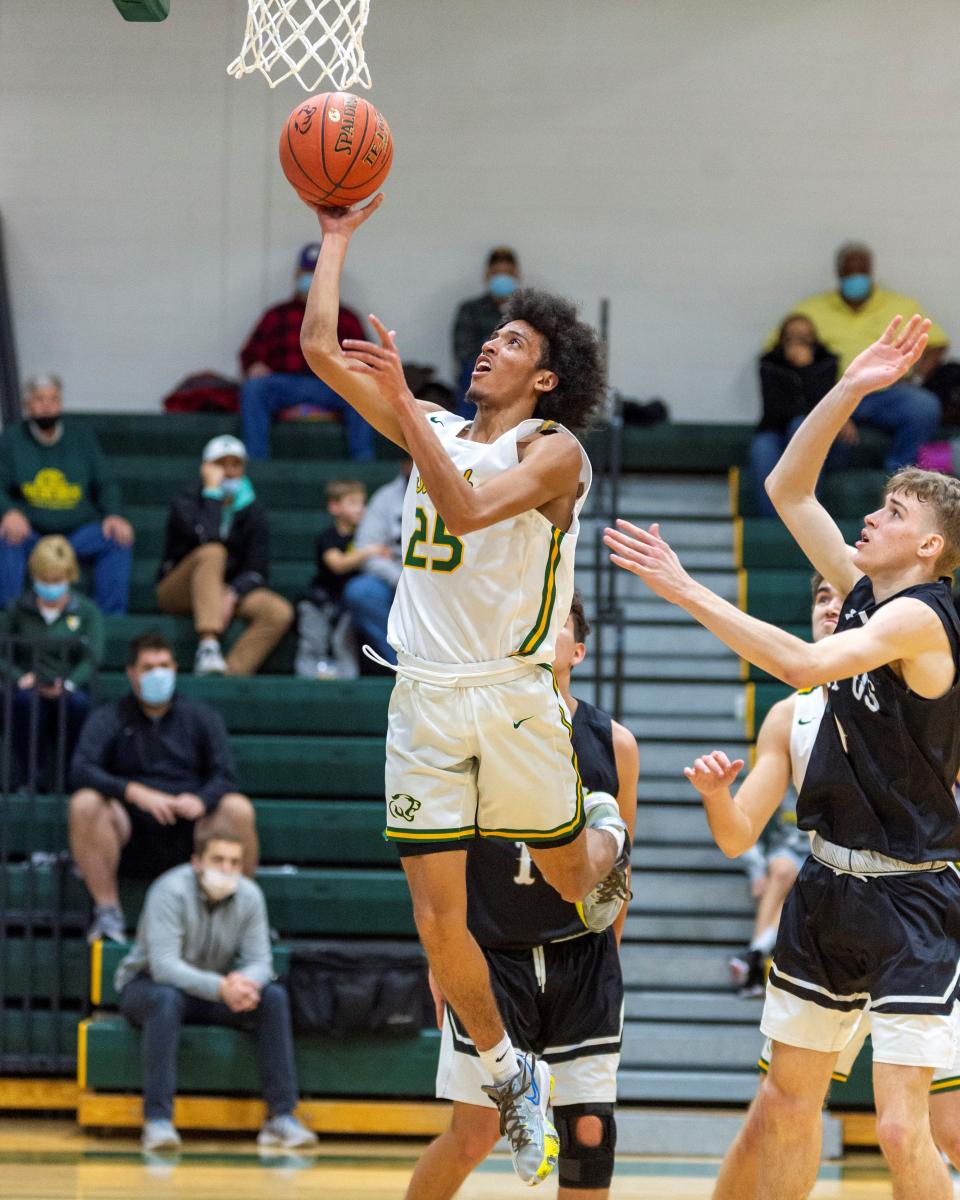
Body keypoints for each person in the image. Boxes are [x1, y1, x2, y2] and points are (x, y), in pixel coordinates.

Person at [300, 195, 630, 1187]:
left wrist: (404, 405)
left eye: (513, 340)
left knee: (584, 888)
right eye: (490, 335)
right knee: (438, 922)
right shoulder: (437, 420)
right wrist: (337, 238)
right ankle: (505, 1086)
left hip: (517, 695)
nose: (490, 347)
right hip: (426, 697)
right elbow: (320, 347)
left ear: (549, 374)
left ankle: (611, 831)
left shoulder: (553, 452)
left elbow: (468, 508)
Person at [605, 314, 960, 1200]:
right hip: (827, 883)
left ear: (931, 547)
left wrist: (688, 589)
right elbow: (788, 486)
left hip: (914, 891)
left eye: (891, 513)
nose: (869, 517)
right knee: (790, 1100)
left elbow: (801, 664)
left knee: (898, 1124)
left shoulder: (923, 616)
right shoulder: (865, 592)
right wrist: (850, 389)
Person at [404, 594, 639, 1200]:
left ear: (577, 651)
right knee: (475, 1133)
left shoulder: (614, 742)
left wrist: (609, 956)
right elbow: (441, 863)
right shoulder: (479, 727)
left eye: (557, 619)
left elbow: (621, 881)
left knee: (590, 1133)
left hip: (580, 956)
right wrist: (445, 960)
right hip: (495, 954)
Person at [115, 822, 316, 1155]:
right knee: (165, 1000)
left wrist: (244, 982)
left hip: (213, 989)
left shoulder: (250, 896)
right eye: (219, 860)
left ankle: (281, 1117)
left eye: (235, 862)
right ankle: (158, 1122)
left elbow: (261, 961)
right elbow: (164, 967)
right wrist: (221, 987)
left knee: (273, 997)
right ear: (197, 862)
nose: (227, 869)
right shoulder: (169, 891)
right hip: (148, 986)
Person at [69, 633, 258, 944]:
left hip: (192, 830)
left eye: (164, 665)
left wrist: (201, 799)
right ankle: (107, 911)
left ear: (175, 668)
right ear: (131, 673)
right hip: (129, 831)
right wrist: (133, 792)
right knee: (85, 803)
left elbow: (226, 775)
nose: (158, 673)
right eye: (148, 667)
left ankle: (235, 916)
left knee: (236, 808)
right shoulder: (110, 717)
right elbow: (81, 769)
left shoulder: (201, 717)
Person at [724, 574, 839, 998]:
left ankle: (758, 951)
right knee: (783, 867)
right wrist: (716, 795)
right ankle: (759, 952)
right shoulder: (791, 715)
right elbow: (740, 832)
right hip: (815, 869)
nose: (830, 607)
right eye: (822, 597)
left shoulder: (915, 697)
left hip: (902, 901)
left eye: (844, 596)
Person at [768, 242, 948, 474]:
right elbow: (776, 348)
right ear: (839, 273)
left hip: (885, 393)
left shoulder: (901, 306)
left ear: (871, 271)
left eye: (862, 271)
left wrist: (914, 378)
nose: (857, 277)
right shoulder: (811, 310)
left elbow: (937, 343)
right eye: (850, 271)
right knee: (801, 425)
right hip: (834, 392)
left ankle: (899, 476)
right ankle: (820, 481)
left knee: (924, 405)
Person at [156, 435, 293, 676]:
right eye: (221, 464)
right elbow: (206, 538)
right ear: (206, 467)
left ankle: (230, 673)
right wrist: (212, 493)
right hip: (179, 588)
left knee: (278, 611)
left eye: (235, 464)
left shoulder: (252, 509)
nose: (229, 472)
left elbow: (258, 567)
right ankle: (208, 644)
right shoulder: (187, 500)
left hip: (225, 590)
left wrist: (232, 593)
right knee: (213, 552)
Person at [0, 373, 134, 614]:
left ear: (61, 403)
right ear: (28, 405)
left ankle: (110, 621)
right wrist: (8, 512)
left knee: (118, 538)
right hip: (31, 533)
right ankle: (9, 617)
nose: (47, 405)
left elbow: (106, 482)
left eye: (53, 399)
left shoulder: (81, 437)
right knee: (6, 536)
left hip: (77, 533)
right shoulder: (11, 439)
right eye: (40, 399)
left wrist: (114, 514)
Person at [239, 243, 373, 461]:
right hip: (285, 384)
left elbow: (367, 360)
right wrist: (254, 366)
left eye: (318, 272)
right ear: (297, 275)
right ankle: (256, 460)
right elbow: (249, 355)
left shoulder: (347, 317)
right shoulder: (276, 315)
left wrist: (353, 373)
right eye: (307, 273)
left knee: (361, 390)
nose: (312, 278)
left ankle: (362, 460)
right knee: (255, 389)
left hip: (332, 385)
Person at [0, 535, 103, 791]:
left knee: (78, 705)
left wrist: (68, 684)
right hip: (27, 686)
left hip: (68, 687)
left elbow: (93, 656)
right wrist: (19, 677)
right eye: (44, 580)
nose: (50, 587)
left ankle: (70, 777)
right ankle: (30, 777)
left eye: (56, 580)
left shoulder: (87, 611)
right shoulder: (17, 609)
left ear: (70, 576)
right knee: (22, 702)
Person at [295, 478, 388, 680]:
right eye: (353, 503)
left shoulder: (363, 536)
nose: (360, 509)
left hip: (347, 607)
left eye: (362, 503)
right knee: (314, 642)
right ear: (334, 507)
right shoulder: (328, 537)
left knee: (344, 645)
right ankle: (309, 678)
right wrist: (370, 552)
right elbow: (337, 564)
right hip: (321, 603)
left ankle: (346, 679)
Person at [750, 316, 841, 518]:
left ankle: (805, 516)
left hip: (819, 435)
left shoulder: (827, 362)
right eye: (792, 337)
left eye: (804, 337)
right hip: (775, 429)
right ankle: (774, 524)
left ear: (814, 339)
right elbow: (774, 408)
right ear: (782, 339)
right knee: (762, 449)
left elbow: (825, 405)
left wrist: (806, 369)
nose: (798, 342)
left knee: (801, 424)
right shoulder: (769, 363)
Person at [340, 460, 411, 669]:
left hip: (440, 578)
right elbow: (367, 552)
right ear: (405, 464)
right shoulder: (386, 498)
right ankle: (400, 665)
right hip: (395, 578)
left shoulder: (453, 489)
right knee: (362, 591)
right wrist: (401, 580)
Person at [452, 247, 521, 411]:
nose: (502, 278)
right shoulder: (470, 310)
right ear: (487, 276)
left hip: (515, 382)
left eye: (508, 273)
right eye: (497, 273)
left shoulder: (524, 313)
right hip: (478, 378)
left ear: (517, 276)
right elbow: (463, 352)